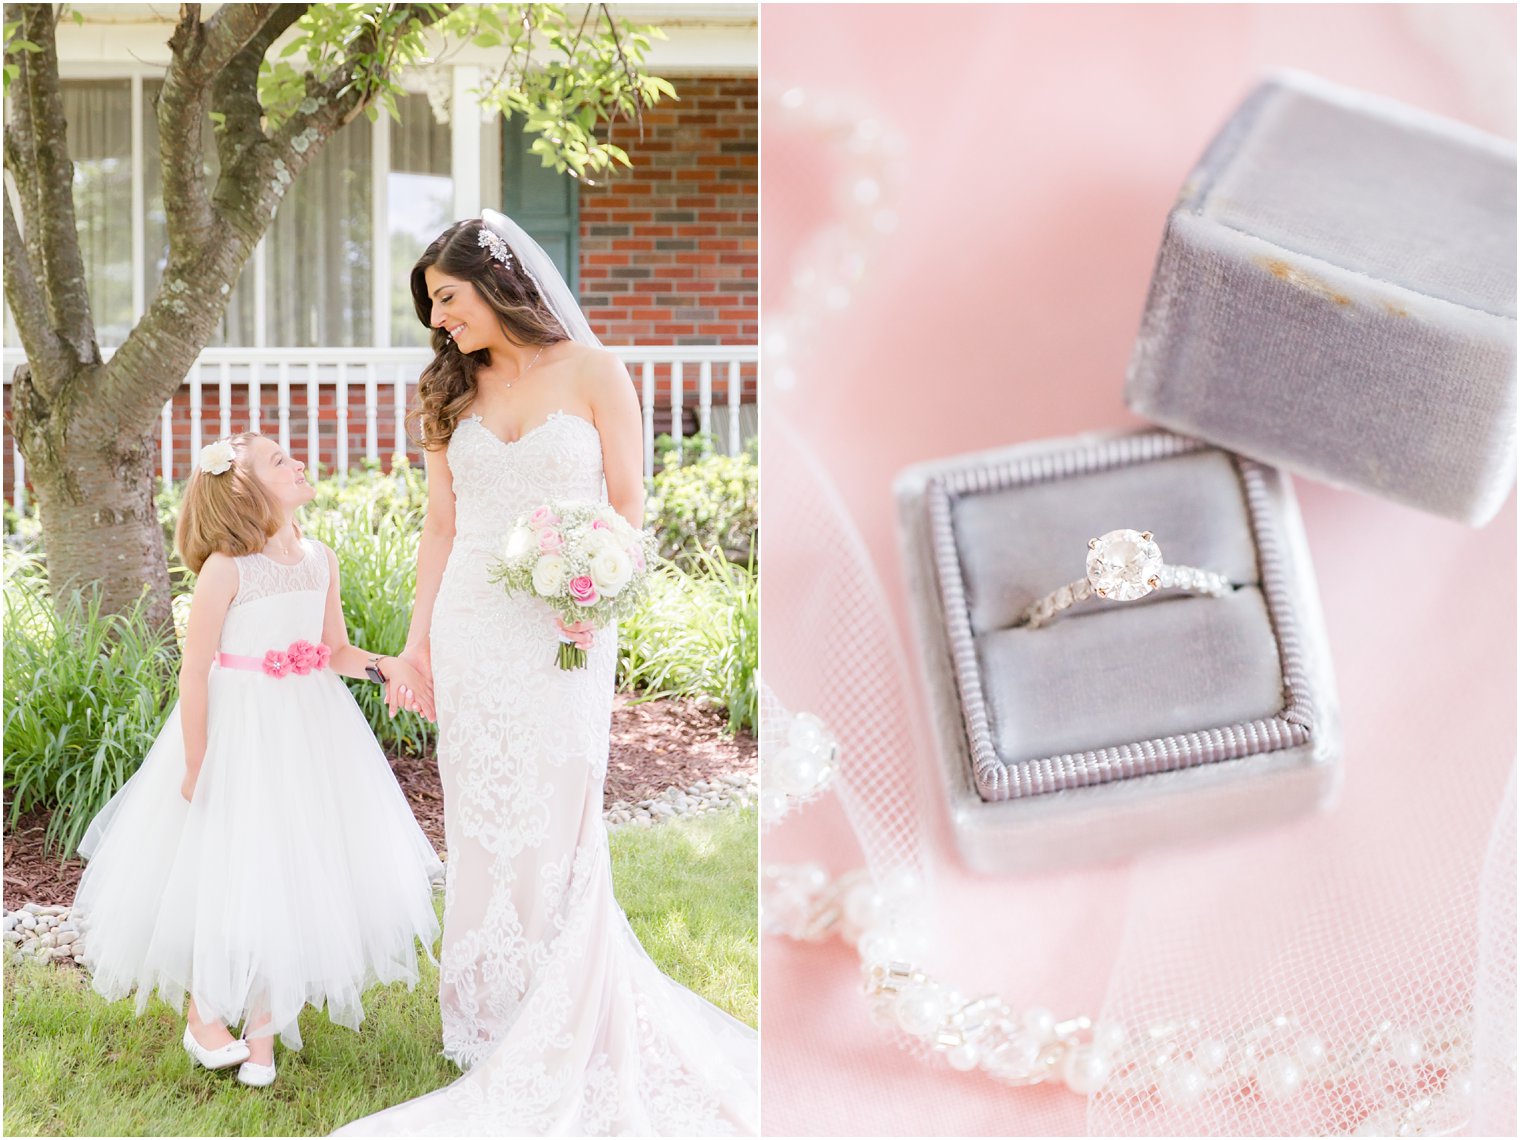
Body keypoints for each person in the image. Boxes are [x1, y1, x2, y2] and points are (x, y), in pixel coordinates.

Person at [336, 211, 758, 1135]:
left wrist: (599, 590)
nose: (441, 321)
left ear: (498, 280)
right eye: (434, 309)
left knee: (559, 813)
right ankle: (489, 1015)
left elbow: (627, 499)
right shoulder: (446, 391)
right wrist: (415, 646)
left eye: (448, 299)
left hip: (568, 628)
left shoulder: (598, 371)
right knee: (483, 815)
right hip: (473, 628)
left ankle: (564, 1006)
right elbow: (441, 527)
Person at [71, 433, 442, 1089]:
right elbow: (193, 673)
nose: (298, 462)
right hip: (241, 731)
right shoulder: (227, 568)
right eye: (279, 461)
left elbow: (333, 651)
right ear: (246, 489)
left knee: (297, 866)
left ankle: (264, 1031)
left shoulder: (318, 557)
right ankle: (205, 1011)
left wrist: (390, 670)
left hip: (311, 726)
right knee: (238, 868)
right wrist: (196, 761)